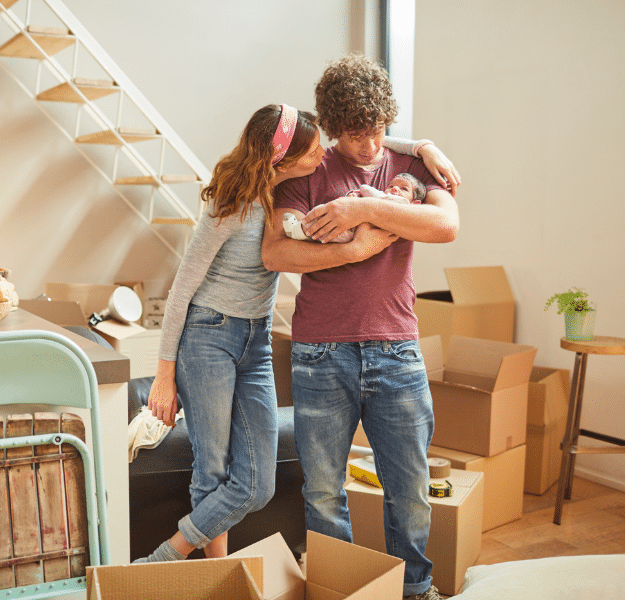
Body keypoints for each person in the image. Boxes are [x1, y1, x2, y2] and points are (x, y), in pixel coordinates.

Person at [141, 102, 458, 564]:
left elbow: (364, 140)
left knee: (258, 483)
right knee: (211, 469)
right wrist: (163, 375)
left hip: (258, 341)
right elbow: (182, 290)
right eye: (312, 152)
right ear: (281, 159)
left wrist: (420, 146)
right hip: (209, 334)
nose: (323, 156)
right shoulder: (230, 205)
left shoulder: (286, 190)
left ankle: (177, 553)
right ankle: (204, 572)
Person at [261, 54, 460, 600]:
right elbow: (276, 253)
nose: (369, 147)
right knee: (325, 491)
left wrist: (356, 206)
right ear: (331, 128)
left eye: (376, 133)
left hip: (397, 349)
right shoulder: (308, 171)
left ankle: (416, 589)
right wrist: (361, 242)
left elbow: (445, 224)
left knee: (411, 489)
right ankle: (337, 589)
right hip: (320, 354)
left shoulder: (411, 167)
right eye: (354, 136)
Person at [283, 171, 426, 243]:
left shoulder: (401, 205)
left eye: (404, 189)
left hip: (352, 232)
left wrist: (363, 191)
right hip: (353, 227)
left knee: (326, 225)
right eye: (391, 185)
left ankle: (298, 232)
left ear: (415, 204)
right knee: (324, 213)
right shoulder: (385, 199)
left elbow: (371, 194)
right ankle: (301, 229)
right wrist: (354, 197)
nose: (395, 189)